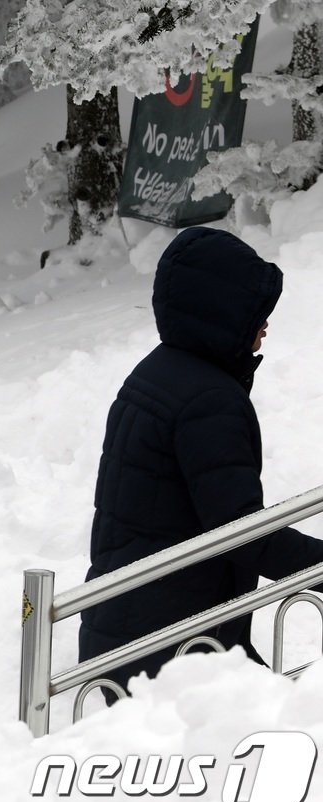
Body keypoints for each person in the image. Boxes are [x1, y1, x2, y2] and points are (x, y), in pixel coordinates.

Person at [79, 226, 323, 693]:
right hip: (172, 654)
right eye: (256, 312)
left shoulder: (158, 373)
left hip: (130, 631)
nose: (265, 324)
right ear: (221, 314)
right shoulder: (208, 401)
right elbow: (241, 533)